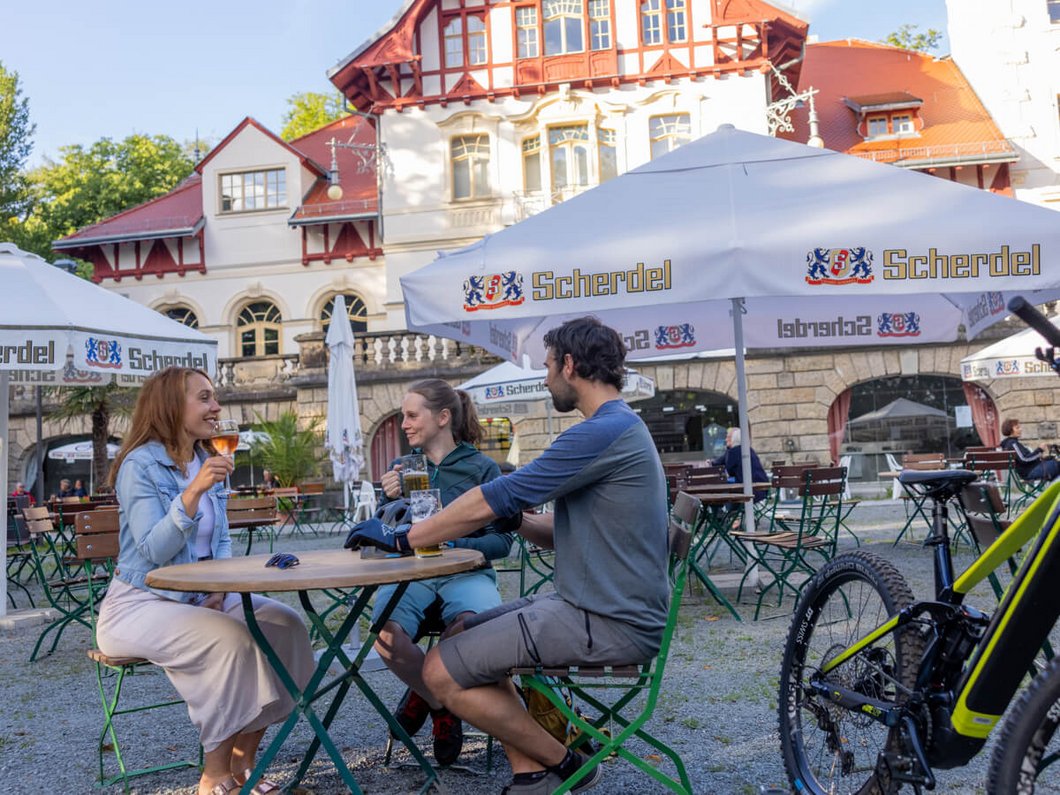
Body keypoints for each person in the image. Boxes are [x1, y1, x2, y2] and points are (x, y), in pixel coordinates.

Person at [348, 316, 669, 794]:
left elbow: (493, 496)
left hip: (606, 619)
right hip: (596, 606)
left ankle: (568, 764)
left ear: (569, 365)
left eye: (547, 367)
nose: (545, 379)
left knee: (437, 670)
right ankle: (530, 773)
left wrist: (404, 538)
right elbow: (554, 532)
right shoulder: (617, 427)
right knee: (460, 630)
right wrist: (516, 522)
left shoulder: (600, 432)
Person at [94, 367, 314, 795]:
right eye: (205, 398)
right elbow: (154, 552)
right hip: (142, 602)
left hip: (202, 597)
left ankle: (245, 764)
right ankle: (213, 779)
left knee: (286, 628)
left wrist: (221, 587)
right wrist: (192, 492)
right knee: (229, 640)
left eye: (215, 398)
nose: (216, 407)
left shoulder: (206, 459)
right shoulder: (139, 465)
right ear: (171, 406)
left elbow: (223, 539)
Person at [372, 378, 517, 766]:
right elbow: (380, 535)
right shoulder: (399, 469)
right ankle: (439, 701)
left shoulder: (483, 468)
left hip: (467, 573)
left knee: (474, 627)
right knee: (385, 633)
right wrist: (386, 501)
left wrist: (456, 546)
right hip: (412, 573)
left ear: (442, 417)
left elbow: (503, 542)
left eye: (411, 415)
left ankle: (422, 692)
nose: (403, 423)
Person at [712, 427, 770, 502]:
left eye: (729, 437)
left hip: (747, 492)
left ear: (734, 439)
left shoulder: (733, 452)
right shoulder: (749, 450)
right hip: (762, 491)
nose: (726, 440)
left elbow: (730, 471)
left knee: (719, 490)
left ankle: (723, 512)